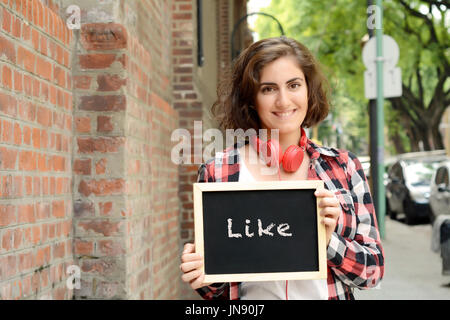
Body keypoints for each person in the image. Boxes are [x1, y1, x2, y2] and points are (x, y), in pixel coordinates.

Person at [180, 36, 384, 300]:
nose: (283, 100)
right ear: (251, 98)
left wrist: (328, 240)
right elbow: (215, 290)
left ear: (309, 90)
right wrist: (201, 274)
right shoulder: (217, 172)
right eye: (268, 89)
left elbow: (373, 274)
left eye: (294, 85)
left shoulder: (344, 167)